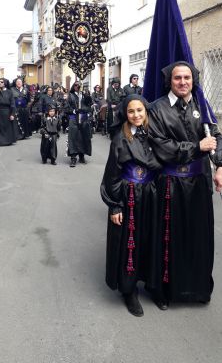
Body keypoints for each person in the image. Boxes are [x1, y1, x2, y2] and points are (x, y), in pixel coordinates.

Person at [148, 61, 222, 308]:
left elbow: (216, 138)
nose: (183, 82)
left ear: (193, 80)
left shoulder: (201, 106)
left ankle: (197, 289)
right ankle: (164, 290)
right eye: (177, 78)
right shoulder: (157, 109)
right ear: (169, 81)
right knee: (168, 238)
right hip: (171, 184)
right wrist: (195, 148)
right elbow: (160, 146)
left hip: (199, 184)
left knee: (198, 237)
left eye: (187, 77)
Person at [100, 94, 161, 317]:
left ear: (146, 111)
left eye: (140, 110)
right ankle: (129, 290)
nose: (136, 115)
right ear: (125, 114)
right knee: (130, 244)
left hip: (151, 195)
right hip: (130, 197)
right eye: (131, 111)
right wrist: (115, 205)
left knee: (151, 240)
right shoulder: (121, 139)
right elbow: (111, 175)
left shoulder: (155, 135)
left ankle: (153, 285)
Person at [65, 82, 93, 167]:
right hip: (74, 118)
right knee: (73, 138)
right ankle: (73, 158)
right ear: (74, 86)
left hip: (83, 118)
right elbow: (66, 107)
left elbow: (90, 106)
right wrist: (73, 111)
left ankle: (82, 156)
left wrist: (86, 110)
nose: (78, 87)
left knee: (83, 137)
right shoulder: (71, 95)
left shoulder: (85, 95)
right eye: (76, 85)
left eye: (79, 85)